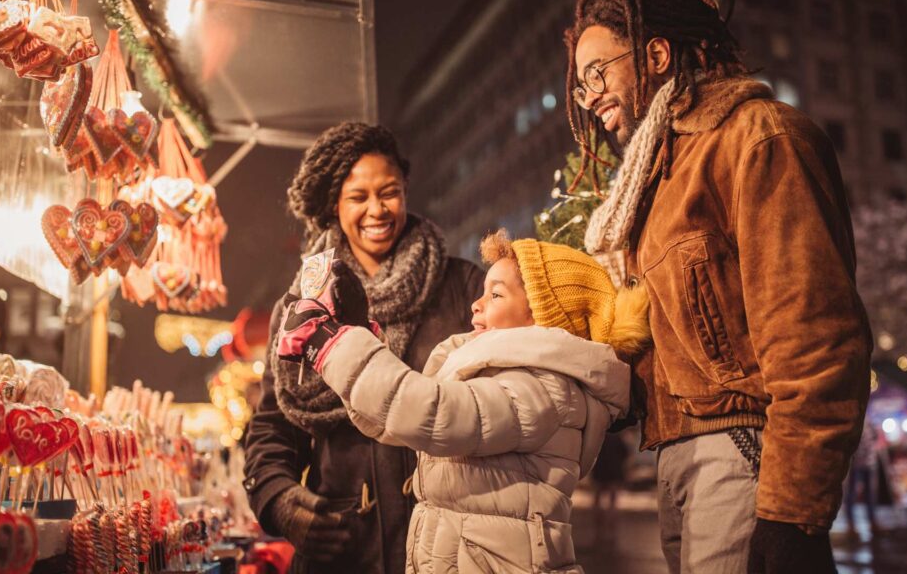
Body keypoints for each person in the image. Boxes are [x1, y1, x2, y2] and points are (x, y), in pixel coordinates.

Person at [566, 0, 873, 572]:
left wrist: (790, 513)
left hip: (743, 451)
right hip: (677, 456)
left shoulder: (757, 138)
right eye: (581, 85)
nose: (589, 97)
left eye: (597, 72)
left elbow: (814, 340)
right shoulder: (655, 179)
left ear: (655, 54)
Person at [276, 231, 650, 573]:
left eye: (496, 295)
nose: (476, 304)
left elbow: (433, 413)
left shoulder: (542, 388)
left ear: (543, 315)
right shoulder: (503, 376)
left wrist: (328, 343)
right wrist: (351, 335)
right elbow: (394, 420)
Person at [242, 123, 484, 574]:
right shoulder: (300, 308)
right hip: (343, 546)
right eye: (358, 197)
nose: (377, 209)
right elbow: (273, 427)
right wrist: (282, 501)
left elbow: (497, 401)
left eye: (389, 192)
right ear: (334, 205)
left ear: (406, 190)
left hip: (450, 543)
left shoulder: (464, 288)